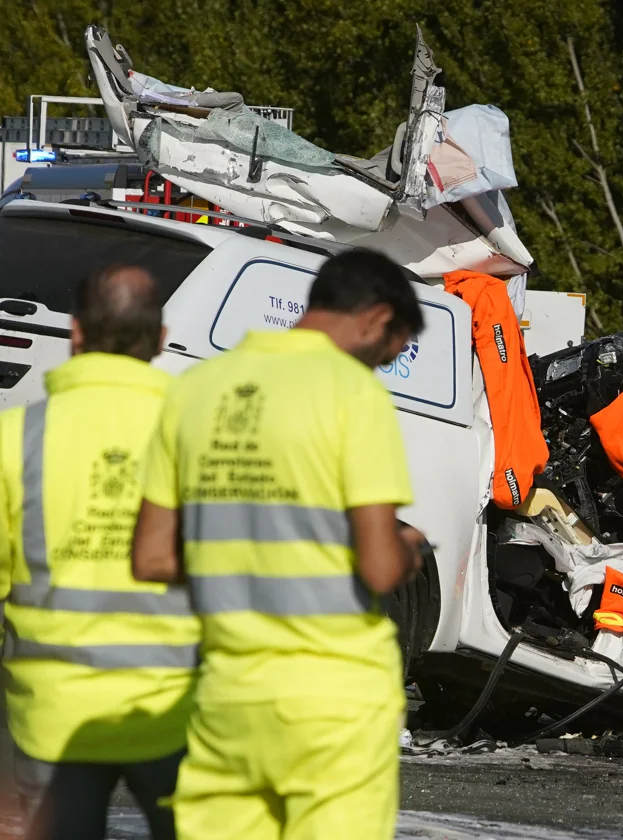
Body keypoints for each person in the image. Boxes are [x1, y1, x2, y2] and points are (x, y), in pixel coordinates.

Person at [131, 249, 429, 840]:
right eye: (387, 353)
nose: (379, 365)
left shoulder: (196, 388)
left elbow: (151, 558)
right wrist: (408, 549)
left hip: (224, 696)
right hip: (332, 700)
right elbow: (376, 567)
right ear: (375, 318)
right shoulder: (352, 393)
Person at [0, 265, 199, 840]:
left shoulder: (16, 439)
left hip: (53, 717)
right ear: (160, 339)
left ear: (77, 333)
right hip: (177, 710)